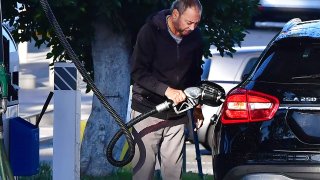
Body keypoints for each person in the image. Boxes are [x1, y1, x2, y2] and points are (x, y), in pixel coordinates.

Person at [130, 0, 204, 179]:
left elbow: (195, 74)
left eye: (197, 23)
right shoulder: (150, 32)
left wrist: (197, 106)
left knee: (173, 173)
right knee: (143, 172)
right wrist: (166, 90)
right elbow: (138, 72)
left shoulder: (195, 37)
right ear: (175, 15)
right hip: (147, 111)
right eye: (189, 22)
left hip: (177, 113)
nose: (193, 28)